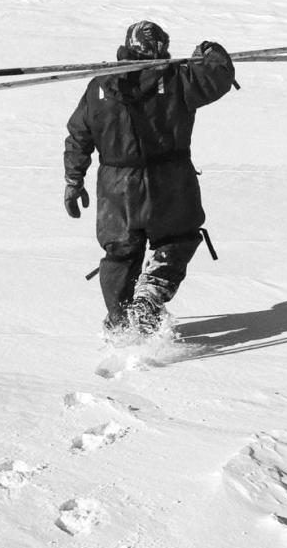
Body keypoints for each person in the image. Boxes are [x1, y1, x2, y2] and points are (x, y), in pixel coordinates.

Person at [63, 20, 236, 337]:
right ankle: (147, 303)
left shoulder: (99, 86)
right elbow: (218, 76)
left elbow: (78, 136)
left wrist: (73, 181)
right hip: (168, 182)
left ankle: (121, 325)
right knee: (177, 240)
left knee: (121, 252)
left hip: (116, 188)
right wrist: (210, 50)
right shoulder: (177, 79)